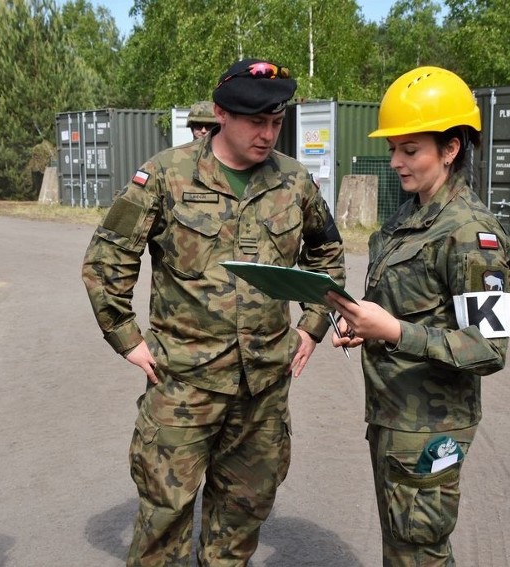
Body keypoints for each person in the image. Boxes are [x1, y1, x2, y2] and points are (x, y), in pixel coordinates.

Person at [82, 58, 346, 566]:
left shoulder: (294, 182)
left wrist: (313, 324)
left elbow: (327, 253)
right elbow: (106, 258)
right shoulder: (166, 174)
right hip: (184, 382)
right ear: (222, 114)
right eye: (256, 121)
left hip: (264, 387)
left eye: (276, 121)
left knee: (243, 514)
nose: (268, 134)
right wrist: (127, 338)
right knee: (164, 515)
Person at [327, 66, 510, 565]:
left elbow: (488, 347)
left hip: (430, 428)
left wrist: (391, 330)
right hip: (393, 418)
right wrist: (364, 326)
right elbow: (404, 306)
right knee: (402, 549)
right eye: (393, 149)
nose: (395, 161)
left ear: (450, 148)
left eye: (410, 150)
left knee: (420, 553)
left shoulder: (472, 235)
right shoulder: (408, 219)